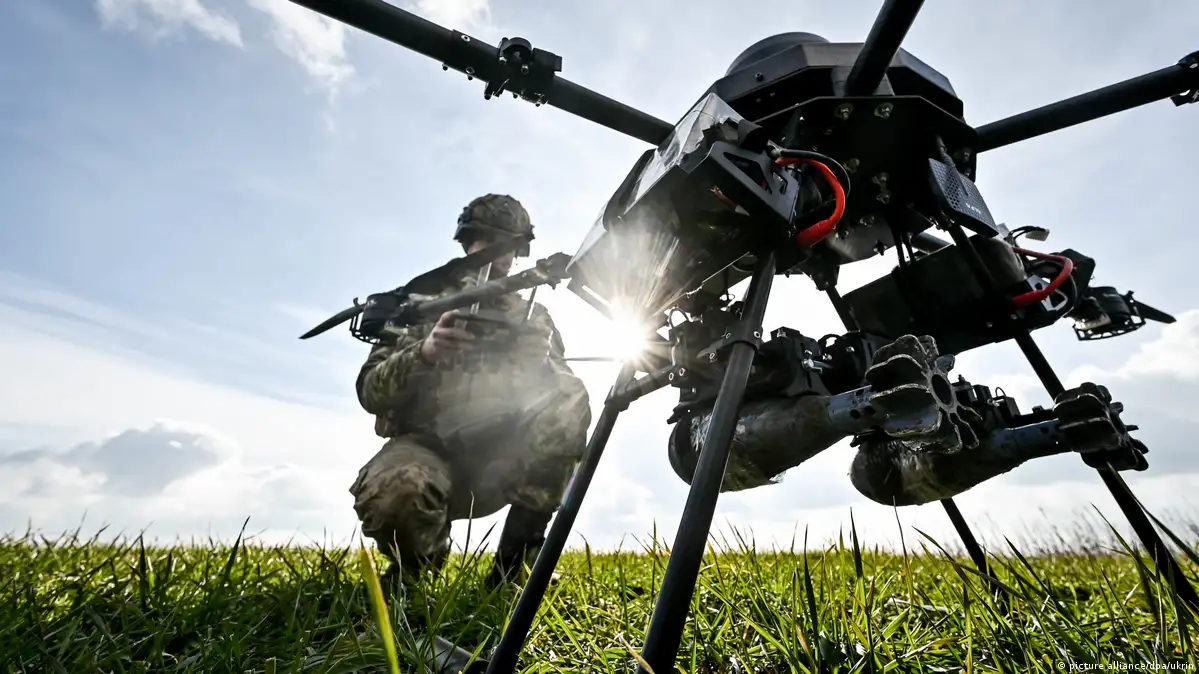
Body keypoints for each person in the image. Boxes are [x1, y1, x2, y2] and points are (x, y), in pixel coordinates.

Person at [349, 194, 592, 591]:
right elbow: (369, 391)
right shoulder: (418, 306)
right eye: (484, 240)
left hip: (502, 458)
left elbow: (567, 400)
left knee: (568, 396)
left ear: (518, 252)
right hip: (427, 449)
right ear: (466, 242)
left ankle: (513, 570)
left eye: (505, 245)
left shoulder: (533, 316)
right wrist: (424, 352)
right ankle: (416, 577)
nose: (493, 253)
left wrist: (539, 364)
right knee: (397, 490)